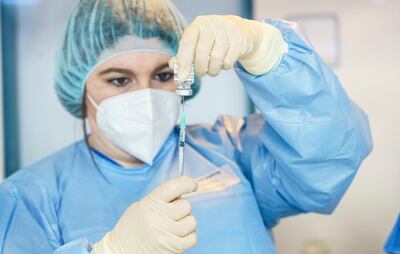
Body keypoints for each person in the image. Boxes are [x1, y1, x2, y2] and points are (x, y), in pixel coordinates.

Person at [0, 0, 373, 253]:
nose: (145, 96)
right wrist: (110, 250)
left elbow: (331, 155)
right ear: (79, 88)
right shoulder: (29, 198)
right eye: (119, 80)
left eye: (163, 75)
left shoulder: (232, 152)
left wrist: (270, 53)